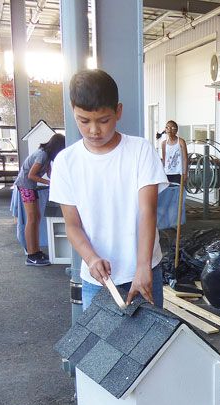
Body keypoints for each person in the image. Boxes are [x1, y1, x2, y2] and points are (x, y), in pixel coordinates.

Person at [49, 69, 168, 310]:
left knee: (150, 346)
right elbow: (72, 224)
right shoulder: (66, 162)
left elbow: (148, 211)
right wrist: (91, 259)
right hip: (97, 278)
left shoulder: (140, 151)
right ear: (74, 112)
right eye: (84, 121)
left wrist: (143, 266)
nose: (94, 130)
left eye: (103, 120)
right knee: (100, 348)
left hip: (145, 270)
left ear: (118, 111)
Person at [13, 133, 65, 266]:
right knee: (32, 219)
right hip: (25, 186)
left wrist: (58, 181)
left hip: (30, 187)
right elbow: (31, 175)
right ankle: (31, 255)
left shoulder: (47, 156)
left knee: (36, 217)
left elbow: (49, 173)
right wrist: (49, 183)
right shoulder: (42, 155)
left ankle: (36, 251)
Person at [160, 120, 187, 185]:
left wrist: (185, 173)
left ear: (176, 130)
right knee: (168, 192)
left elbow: (185, 158)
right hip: (167, 173)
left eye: (172, 128)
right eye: (167, 127)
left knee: (178, 192)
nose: (169, 130)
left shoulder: (181, 141)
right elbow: (164, 159)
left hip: (178, 173)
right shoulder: (164, 143)